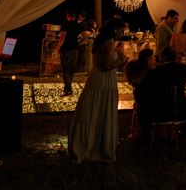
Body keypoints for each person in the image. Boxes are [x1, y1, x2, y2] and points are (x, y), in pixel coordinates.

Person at [68, 17, 127, 162]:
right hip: (105, 79)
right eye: (121, 30)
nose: (122, 33)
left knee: (92, 109)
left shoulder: (98, 41)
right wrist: (122, 59)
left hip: (95, 78)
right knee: (102, 110)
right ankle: (100, 146)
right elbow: (107, 66)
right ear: (115, 29)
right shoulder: (110, 43)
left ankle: (87, 141)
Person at [136, 46, 186, 141]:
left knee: (142, 109)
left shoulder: (153, 73)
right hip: (179, 111)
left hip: (158, 112)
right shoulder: (184, 70)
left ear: (163, 57)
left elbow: (141, 93)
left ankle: (146, 138)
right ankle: (183, 135)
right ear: (175, 57)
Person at [124, 48, 156, 139]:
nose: (155, 59)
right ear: (148, 59)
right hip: (145, 103)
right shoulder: (146, 73)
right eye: (153, 57)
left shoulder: (139, 70)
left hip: (140, 103)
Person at [57, 9, 81, 97]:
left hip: (65, 50)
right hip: (75, 50)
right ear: (75, 17)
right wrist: (78, 42)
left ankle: (68, 90)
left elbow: (62, 38)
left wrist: (58, 47)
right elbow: (84, 36)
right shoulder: (78, 25)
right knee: (71, 71)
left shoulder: (65, 25)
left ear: (68, 16)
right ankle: (67, 89)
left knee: (65, 71)